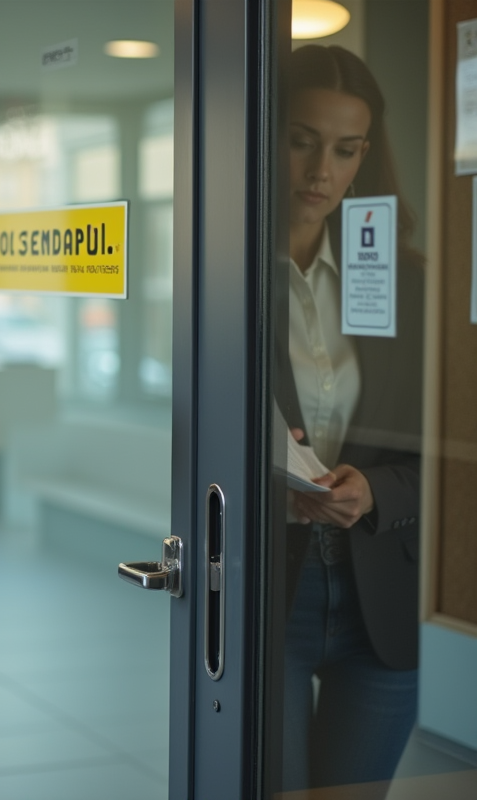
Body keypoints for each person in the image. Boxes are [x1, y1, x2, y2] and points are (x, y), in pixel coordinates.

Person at [277, 44, 424, 796]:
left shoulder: (407, 282)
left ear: (366, 154)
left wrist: (376, 490)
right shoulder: (219, 276)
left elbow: (450, 456)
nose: (320, 171)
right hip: (269, 590)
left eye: (344, 149)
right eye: (301, 140)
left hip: (384, 599)